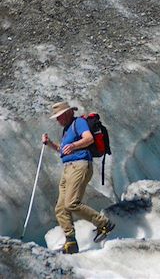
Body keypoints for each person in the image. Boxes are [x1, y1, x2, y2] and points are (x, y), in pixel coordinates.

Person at [41, 101, 115, 254]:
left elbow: (89, 139)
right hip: (68, 168)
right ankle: (71, 243)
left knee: (71, 203)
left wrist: (74, 146)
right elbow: (64, 150)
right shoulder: (67, 130)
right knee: (61, 208)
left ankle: (104, 224)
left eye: (59, 116)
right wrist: (50, 144)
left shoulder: (79, 123)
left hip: (79, 165)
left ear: (68, 113)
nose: (57, 120)